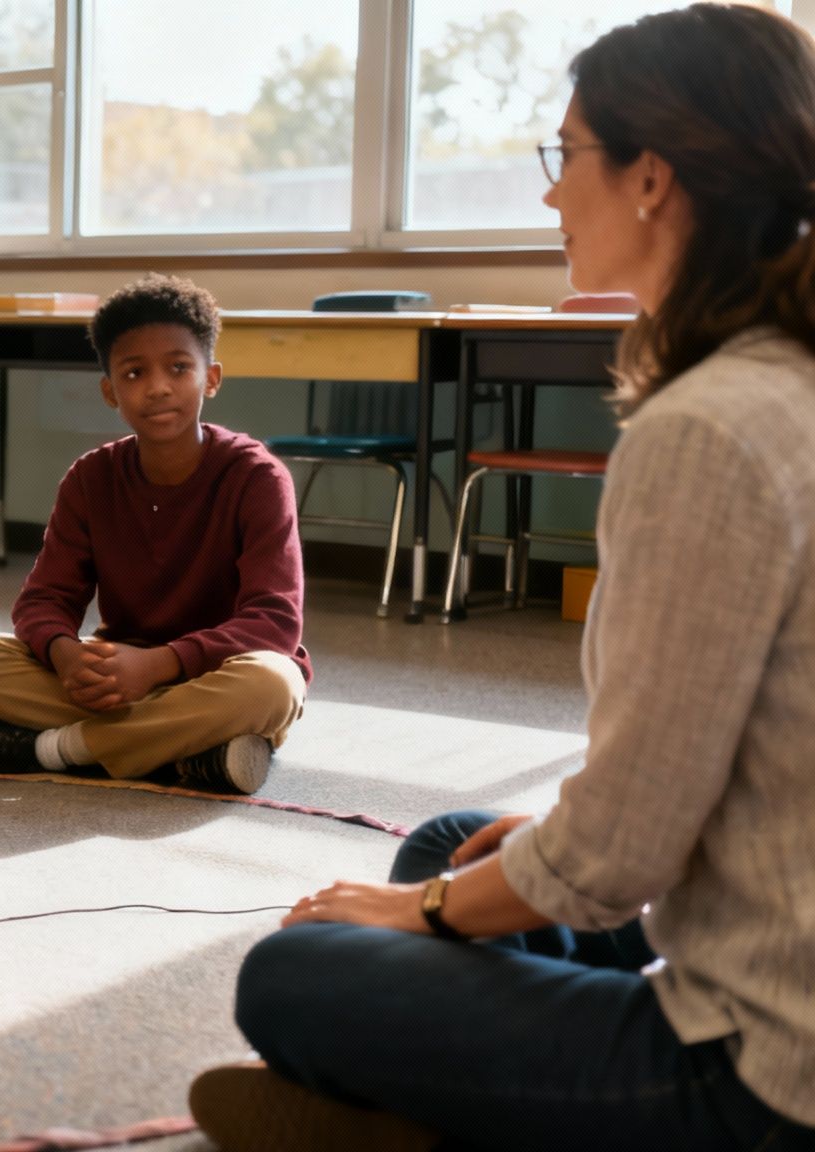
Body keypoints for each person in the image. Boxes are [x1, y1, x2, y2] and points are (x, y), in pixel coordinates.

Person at [190, 7, 815, 1150]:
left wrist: (411, 914)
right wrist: (478, 877)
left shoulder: (711, 430)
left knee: (295, 972)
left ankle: (442, 1122)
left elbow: (618, 853)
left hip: (763, 1076)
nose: (547, 193)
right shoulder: (783, 379)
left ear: (649, 178)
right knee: (457, 842)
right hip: (758, 906)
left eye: (563, 155)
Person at [0, 276, 307, 794]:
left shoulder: (258, 478)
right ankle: (192, 749)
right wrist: (66, 656)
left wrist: (160, 665)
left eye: (179, 368)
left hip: (217, 675)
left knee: (273, 683)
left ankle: (57, 750)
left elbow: (275, 624)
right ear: (110, 391)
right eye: (134, 372)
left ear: (211, 378)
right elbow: (44, 600)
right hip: (119, 678)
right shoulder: (91, 478)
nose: (157, 387)